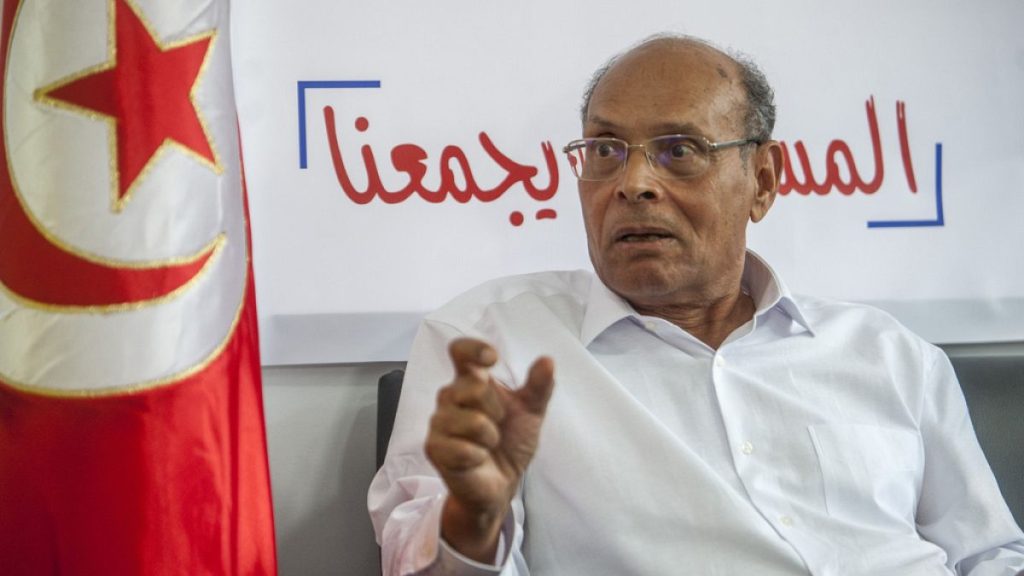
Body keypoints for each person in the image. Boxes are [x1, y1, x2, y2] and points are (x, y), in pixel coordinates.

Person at [368, 34, 1024, 575]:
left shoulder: (889, 354)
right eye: (605, 151)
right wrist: (470, 523)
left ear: (762, 181)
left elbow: (989, 554)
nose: (633, 184)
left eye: (679, 151)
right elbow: (413, 557)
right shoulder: (491, 346)